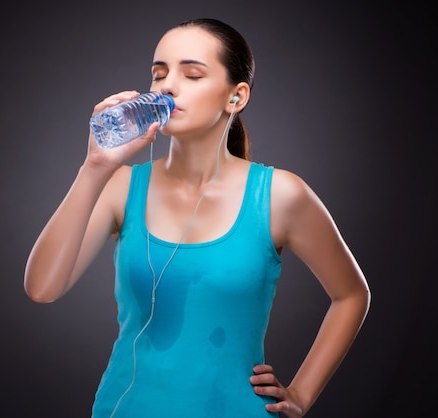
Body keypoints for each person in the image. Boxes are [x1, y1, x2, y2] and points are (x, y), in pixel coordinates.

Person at [24, 17, 371, 418]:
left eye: (191, 74)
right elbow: (42, 288)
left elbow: (351, 295)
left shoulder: (280, 195)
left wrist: (303, 392)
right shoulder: (120, 186)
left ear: (236, 97)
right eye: (159, 74)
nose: (168, 86)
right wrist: (94, 168)